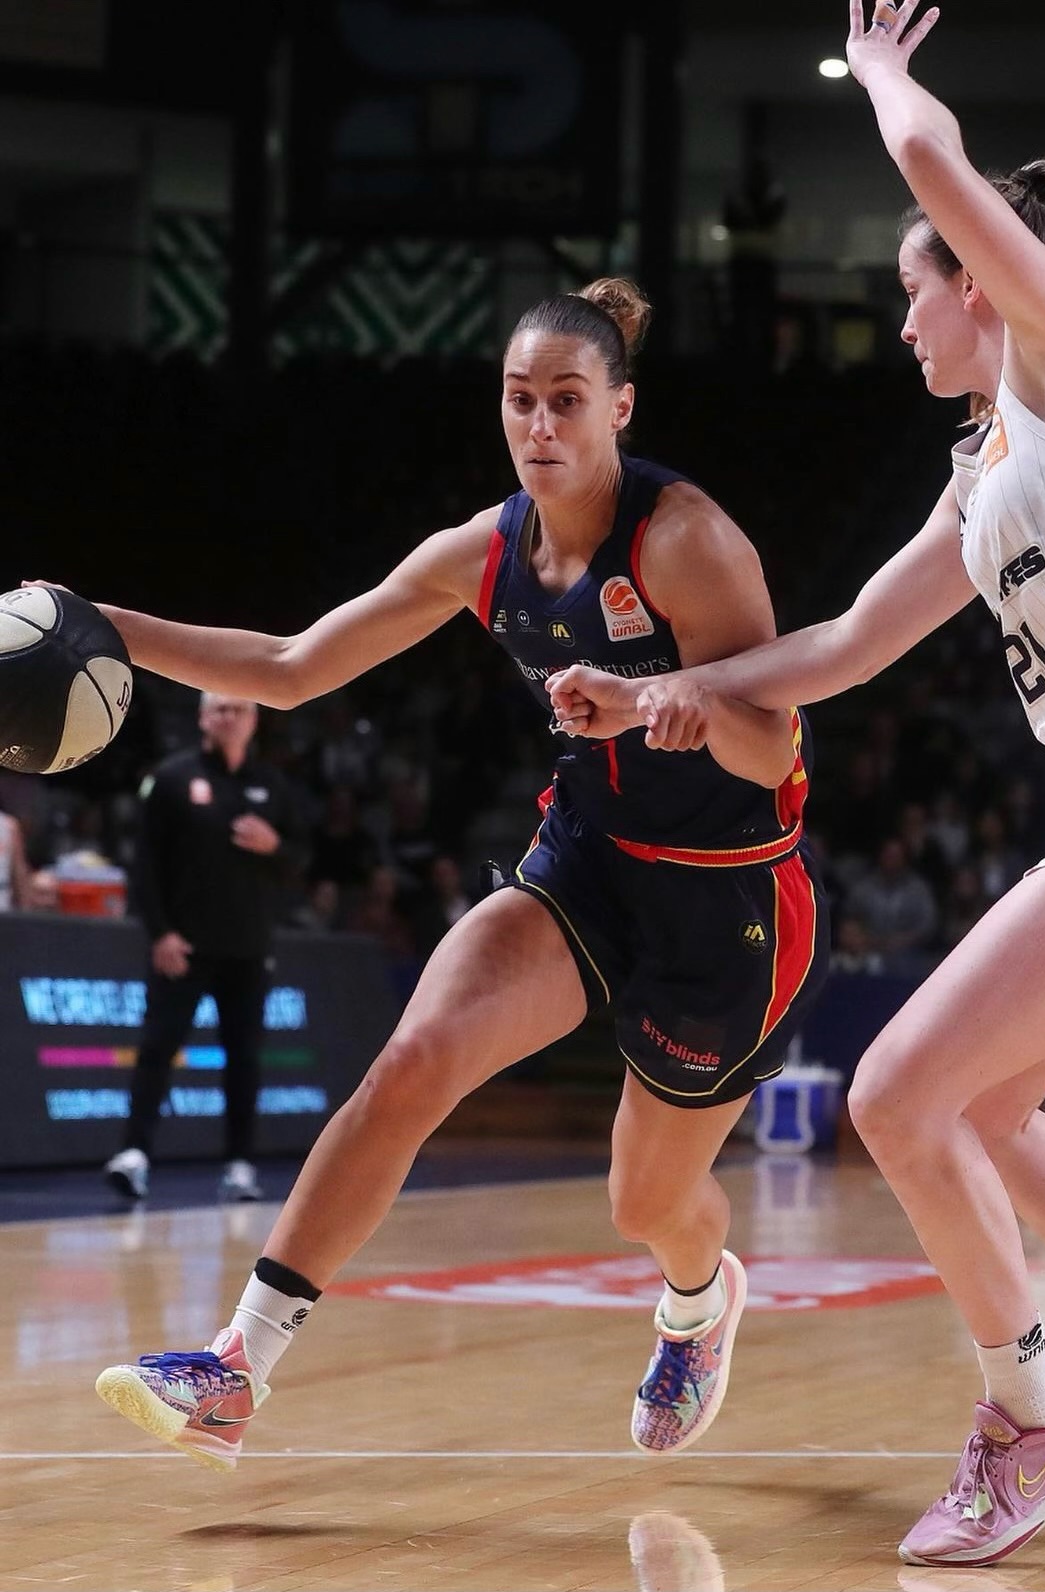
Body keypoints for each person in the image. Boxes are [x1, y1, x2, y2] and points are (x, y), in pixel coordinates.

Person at [546, 4, 1045, 1568]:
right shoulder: (994, 460)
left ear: (977, 278)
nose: (901, 323)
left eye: (912, 288)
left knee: (896, 1090)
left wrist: (884, 79)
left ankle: (1034, 1420)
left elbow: (944, 167)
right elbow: (841, 648)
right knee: (995, 1108)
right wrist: (673, 689)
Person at [84, 277, 829, 1470]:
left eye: (567, 403)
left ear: (620, 409)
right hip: (586, 862)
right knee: (411, 1061)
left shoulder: (689, 541)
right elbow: (285, 666)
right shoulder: (483, 551)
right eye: (521, 400)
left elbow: (777, 744)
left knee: (645, 1205)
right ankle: (238, 1365)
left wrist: (659, 704)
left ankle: (698, 1297)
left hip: (730, 897)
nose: (541, 426)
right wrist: (106, 623)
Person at [103, 693, 299, 1204]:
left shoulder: (272, 786)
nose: (228, 717)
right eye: (219, 709)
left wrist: (274, 845)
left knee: (244, 1059)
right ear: (202, 717)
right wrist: (160, 933)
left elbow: (300, 864)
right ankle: (133, 1155)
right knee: (157, 1048)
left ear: (254, 720)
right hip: (184, 945)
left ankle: (238, 1166)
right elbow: (144, 865)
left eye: (238, 709)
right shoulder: (170, 779)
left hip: (248, 947)